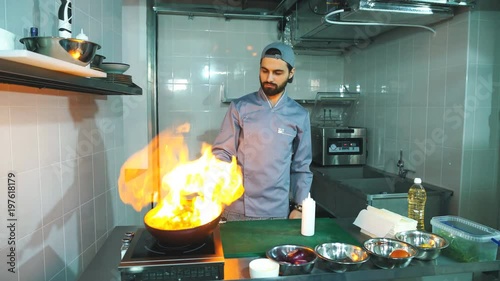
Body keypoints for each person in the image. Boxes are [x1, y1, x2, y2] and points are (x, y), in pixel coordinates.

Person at [212, 42, 313, 221]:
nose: (269, 78)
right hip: (238, 207)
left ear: (291, 73)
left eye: (277, 73)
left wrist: (299, 206)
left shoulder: (299, 115)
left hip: (277, 210)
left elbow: (301, 167)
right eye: (264, 71)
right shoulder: (240, 107)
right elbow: (222, 153)